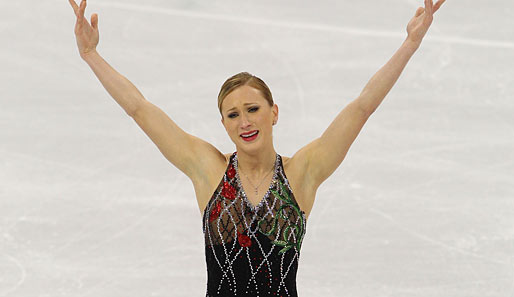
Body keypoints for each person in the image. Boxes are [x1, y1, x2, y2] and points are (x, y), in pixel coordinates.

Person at [68, 0, 445, 296]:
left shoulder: (302, 173)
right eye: (233, 115)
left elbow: (362, 107)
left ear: (273, 112)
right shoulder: (208, 170)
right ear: (223, 124)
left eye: (252, 109)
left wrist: (410, 43)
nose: (244, 122)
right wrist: (91, 56)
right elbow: (140, 109)